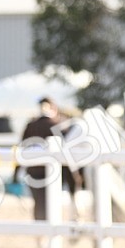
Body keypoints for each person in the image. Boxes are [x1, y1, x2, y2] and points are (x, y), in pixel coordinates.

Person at [16, 98, 83, 229]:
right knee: (52, 200)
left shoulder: (31, 126)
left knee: (38, 202)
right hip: (53, 171)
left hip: (33, 170)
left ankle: (40, 229)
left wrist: (17, 172)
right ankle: (49, 228)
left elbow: (22, 147)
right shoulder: (58, 125)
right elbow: (67, 150)